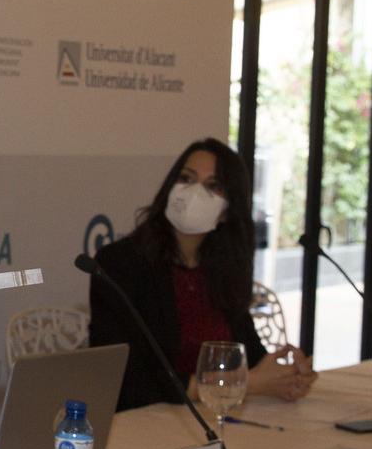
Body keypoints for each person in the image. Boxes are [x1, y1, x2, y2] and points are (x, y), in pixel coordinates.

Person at [88, 138, 316, 411]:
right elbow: (129, 381)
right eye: (186, 178)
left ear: (227, 211)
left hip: (217, 417)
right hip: (146, 423)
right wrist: (245, 383)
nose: (195, 192)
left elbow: (249, 355)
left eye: (213, 186)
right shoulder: (120, 263)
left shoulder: (224, 267)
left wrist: (285, 377)